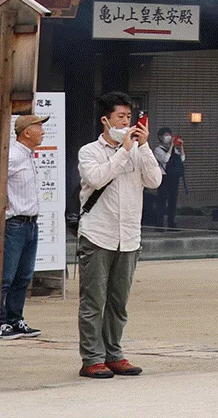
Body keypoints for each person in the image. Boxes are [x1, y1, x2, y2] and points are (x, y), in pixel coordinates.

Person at [76, 92, 162, 378]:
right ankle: (92, 358)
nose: (127, 122)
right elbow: (96, 178)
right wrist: (123, 151)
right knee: (93, 301)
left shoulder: (139, 150)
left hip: (129, 237)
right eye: (121, 117)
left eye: (129, 117)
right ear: (105, 120)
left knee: (118, 302)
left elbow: (154, 181)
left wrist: (144, 146)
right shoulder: (89, 151)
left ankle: (114, 353)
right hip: (98, 235)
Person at [0, 113, 48, 340]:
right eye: (39, 127)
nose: (43, 131)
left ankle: (16, 319)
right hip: (16, 223)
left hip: (30, 223)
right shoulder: (14, 154)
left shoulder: (27, 155)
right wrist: (0, 196)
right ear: (26, 132)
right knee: (6, 276)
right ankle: (1, 321)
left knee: (24, 275)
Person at [150, 128, 187, 229]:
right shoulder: (158, 150)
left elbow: (182, 159)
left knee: (173, 201)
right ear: (160, 137)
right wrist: (171, 146)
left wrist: (181, 146)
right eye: (166, 135)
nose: (168, 137)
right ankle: (159, 224)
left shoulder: (174, 149)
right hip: (164, 177)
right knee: (161, 201)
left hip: (173, 177)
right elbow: (165, 159)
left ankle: (172, 223)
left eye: (169, 135)